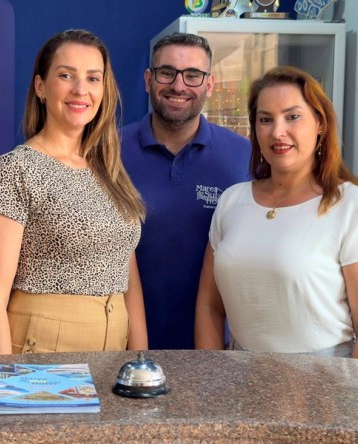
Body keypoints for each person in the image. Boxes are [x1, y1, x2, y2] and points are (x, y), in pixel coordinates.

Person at [195, 66, 358, 361]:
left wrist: (351, 394)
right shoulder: (231, 201)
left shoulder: (356, 206)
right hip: (240, 378)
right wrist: (211, 377)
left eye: (292, 116)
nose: (277, 132)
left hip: (327, 380)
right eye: (265, 119)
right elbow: (209, 307)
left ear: (320, 123)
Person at [0, 29, 147, 355]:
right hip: (42, 350)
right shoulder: (14, 169)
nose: (81, 90)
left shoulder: (111, 171)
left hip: (115, 346)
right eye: (66, 75)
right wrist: (2, 379)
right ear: (41, 87)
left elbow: (127, 275)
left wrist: (139, 359)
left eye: (93, 78)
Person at [120, 32, 250, 350]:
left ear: (210, 84)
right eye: (167, 72)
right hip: (122, 343)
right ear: (148, 79)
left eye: (193, 75)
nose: (179, 86)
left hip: (217, 348)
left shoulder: (242, 155)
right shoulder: (109, 151)